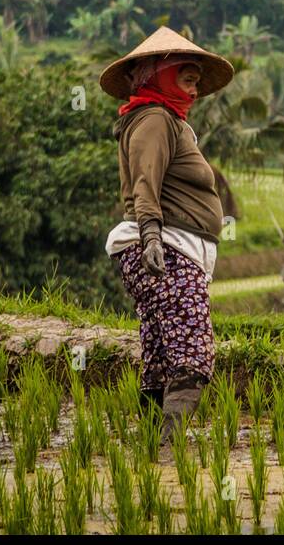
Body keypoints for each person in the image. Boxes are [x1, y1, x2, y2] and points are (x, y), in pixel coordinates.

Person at [98, 26, 234, 429]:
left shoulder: (165, 120)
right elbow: (145, 180)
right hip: (165, 248)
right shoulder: (155, 119)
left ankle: (150, 446)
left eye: (195, 82)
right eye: (186, 80)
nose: (193, 92)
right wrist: (152, 235)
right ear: (159, 75)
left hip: (169, 247)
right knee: (192, 352)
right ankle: (170, 451)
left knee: (162, 356)